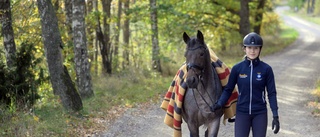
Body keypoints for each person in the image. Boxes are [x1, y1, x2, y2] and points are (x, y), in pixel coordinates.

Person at [211, 32, 280, 137]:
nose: (252, 51)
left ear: (260, 49)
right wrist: (219, 104)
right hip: (242, 112)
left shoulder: (266, 69)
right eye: (249, 48)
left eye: (256, 48)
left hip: (260, 113)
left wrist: (275, 115)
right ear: (244, 49)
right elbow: (228, 89)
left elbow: (272, 93)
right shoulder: (237, 68)